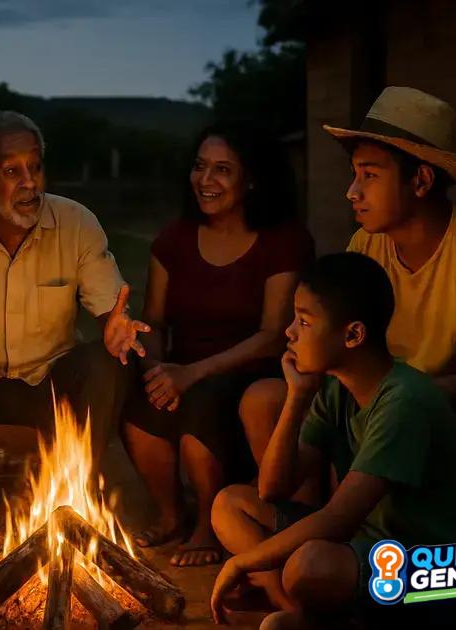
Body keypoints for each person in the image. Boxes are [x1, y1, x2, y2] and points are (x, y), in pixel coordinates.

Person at [239, 86, 456, 489]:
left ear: (422, 180)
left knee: (405, 427)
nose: (352, 191)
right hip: (380, 398)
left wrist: (373, 405)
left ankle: (347, 530)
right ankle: (305, 518)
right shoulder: (367, 244)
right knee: (264, 400)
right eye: (355, 175)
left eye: (370, 175)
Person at [0, 111, 148, 557]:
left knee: (105, 362)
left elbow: (108, 307)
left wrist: (116, 327)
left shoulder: (75, 223)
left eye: (35, 167)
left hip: (51, 381)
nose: (30, 183)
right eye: (12, 171)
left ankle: (75, 502)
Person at [209, 253, 456, 628]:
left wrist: (244, 561)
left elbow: (338, 519)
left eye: (305, 321)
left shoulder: (403, 402)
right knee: (230, 506)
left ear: (353, 335)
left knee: (310, 565)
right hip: (369, 546)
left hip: (446, 571)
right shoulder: (336, 387)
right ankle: (301, 613)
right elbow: (273, 488)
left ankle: (323, 613)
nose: (290, 331)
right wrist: (297, 397)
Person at [123, 126, 313, 567]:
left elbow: (272, 333)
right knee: (139, 410)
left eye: (222, 170)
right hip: (183, 368)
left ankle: (208, 523)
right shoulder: (174, 239)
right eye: (200, 166)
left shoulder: (283, 240)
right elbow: (153, 318)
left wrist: (190, 374)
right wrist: (157, 371)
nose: (205, 180)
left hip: (252, 369)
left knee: (201, 405)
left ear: (251, 180)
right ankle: (172, 515)